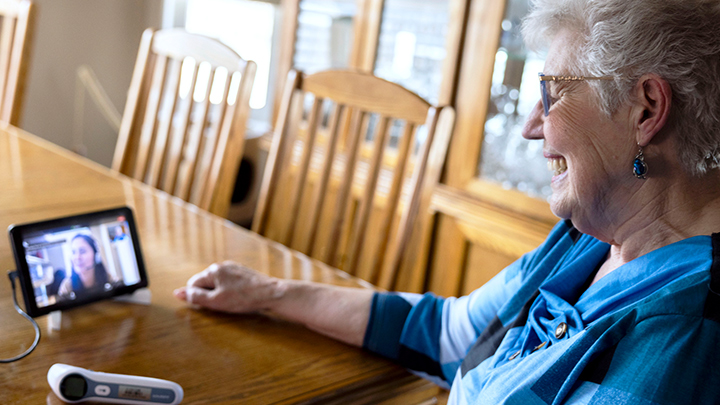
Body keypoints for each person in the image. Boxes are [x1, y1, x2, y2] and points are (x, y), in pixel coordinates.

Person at [175, 0, 720, 402]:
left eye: (552, 94)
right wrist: (270, 293)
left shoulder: (681, 333)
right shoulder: (587, 242)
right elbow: (447, 333)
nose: (532, 126)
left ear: (646, 109)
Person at [59, 233, 110, 299]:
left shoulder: (109, 279)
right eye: (74, 252)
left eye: (82, 251)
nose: (77, 257)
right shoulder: (67, 287)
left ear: (95, 254)